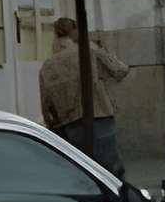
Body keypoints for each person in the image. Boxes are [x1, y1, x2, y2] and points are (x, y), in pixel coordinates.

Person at [40, 12, 129, 169]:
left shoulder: (47, 66)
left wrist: (55, 127)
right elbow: (120, 70)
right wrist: (101, 48)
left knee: (84, 171)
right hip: (100, 116)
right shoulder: (89, 51)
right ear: (75, 32)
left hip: (70, 124)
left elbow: (46, 107)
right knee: (110, 170)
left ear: (55, 36)